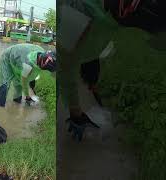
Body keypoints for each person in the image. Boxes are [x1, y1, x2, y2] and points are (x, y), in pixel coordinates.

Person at [59, 0, 166, 141]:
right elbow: (64, 67)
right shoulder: (76, 13)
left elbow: (91, 48)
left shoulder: (106, 19)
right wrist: (75, 111)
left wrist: (92, 80)